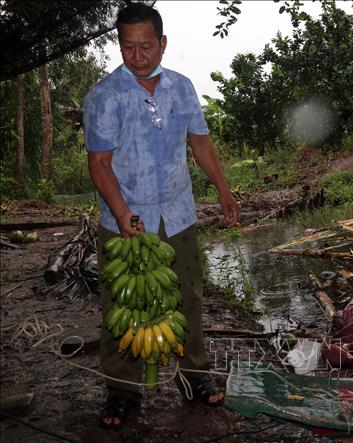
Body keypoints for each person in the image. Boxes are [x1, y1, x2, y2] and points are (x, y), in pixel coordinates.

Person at [83, 3, 239, 429]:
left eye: (146, 46)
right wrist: (122, 214)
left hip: (178, 212)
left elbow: (200, 143)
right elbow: (99, 164)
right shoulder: (104, 95)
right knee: (122, 305)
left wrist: (224, 191)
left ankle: (194, 376)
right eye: (128, 46)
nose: (137, 55)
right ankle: (121, 390)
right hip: (123, 221)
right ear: (120, 45)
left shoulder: (183, 89)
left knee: (189, 297)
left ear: (163, 43)